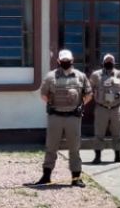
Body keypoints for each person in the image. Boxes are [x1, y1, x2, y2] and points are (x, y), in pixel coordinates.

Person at [35, 49, 92, 187]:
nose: (66, 63)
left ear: (72, 61)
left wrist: (81, 105)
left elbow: (89, 94)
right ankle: (46, 176)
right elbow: (43, 94)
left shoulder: (80, 76)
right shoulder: (50, 77)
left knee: (74, 148)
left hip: (73, 117)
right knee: (51, 147)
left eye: (68, 61)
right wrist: (52, 103)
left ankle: (76, 178)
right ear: (58, 61)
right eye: (63, 61)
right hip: (56, 116)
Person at [90, 54, 120, 164]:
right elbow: (89, 88)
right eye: (107, 61)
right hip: (101, 108)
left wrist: (115, 94)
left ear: (114, 62)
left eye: (111, 61)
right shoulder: (96, 75)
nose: (109, 62)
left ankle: (118, 156)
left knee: (118, 133)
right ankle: (97, 156)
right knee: (99, 133)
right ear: (103, 62)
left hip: (116, 108)